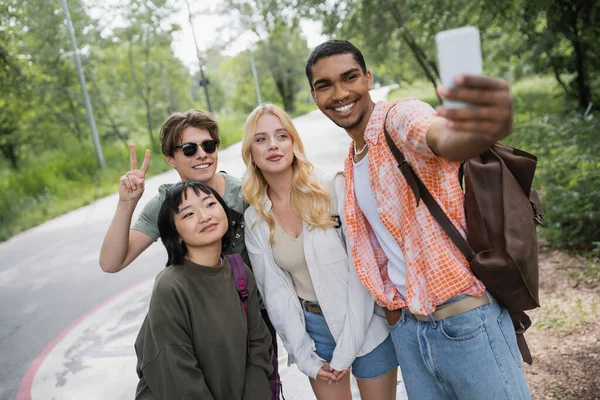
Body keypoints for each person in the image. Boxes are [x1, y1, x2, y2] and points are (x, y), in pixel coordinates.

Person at [305, 40, 532, 399]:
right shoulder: (353, 157)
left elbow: (440, 136)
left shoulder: (398, 118)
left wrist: (479, 131)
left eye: (349, 77)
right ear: (314, 96)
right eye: (324, 85)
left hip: (463, 322)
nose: (340, 93)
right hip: (410, 334)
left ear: (368, 78)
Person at [242, 103, 398, 400]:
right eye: (261, 139)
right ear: (250, 152)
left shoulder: (331, 187)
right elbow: (276, 294)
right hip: (315, 331)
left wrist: (347, 350)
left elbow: (362, 271)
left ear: (293, 143)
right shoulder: (256, 219)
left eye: (281, 136)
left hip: (363, 322)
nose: (273, 145)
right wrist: (303, 355)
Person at [98, 110, 278, 353]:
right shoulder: (166, 204)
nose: (202, 155)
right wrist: (126, 203)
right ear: (171, 159)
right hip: (199, 323)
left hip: (253, 318)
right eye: (189, 149)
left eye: (209, 146)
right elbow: (111, 262)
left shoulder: (247, 193)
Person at [134, 181, 273, 400]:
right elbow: (176, 373)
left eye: (210, 204)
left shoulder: (239, 272)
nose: (204, 216)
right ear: (176, 235)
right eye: (188, 215)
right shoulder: (170, 287)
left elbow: (258, 346)